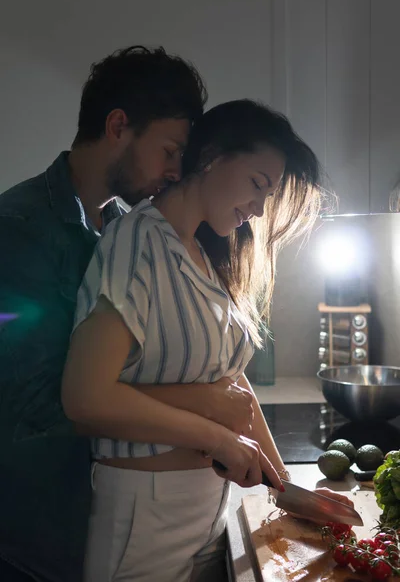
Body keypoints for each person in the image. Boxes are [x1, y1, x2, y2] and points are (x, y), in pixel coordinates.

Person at [61, 99, 353, 582]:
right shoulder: (138, 242)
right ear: (213, 155)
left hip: (207, 507)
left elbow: (231, 386)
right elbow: (84, 398)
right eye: (258, 184)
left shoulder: (197, 251)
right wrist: (219, 438)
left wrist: (282, 486)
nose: (260, 209)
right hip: (145, 510)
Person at [0, 45, 255, 582]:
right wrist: (203, 406)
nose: (174, 171)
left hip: (105, 512)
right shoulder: (19, 229)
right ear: (118, 126)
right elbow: (37, 402)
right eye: (168, 150)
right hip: (32, 533)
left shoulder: (126, 228)